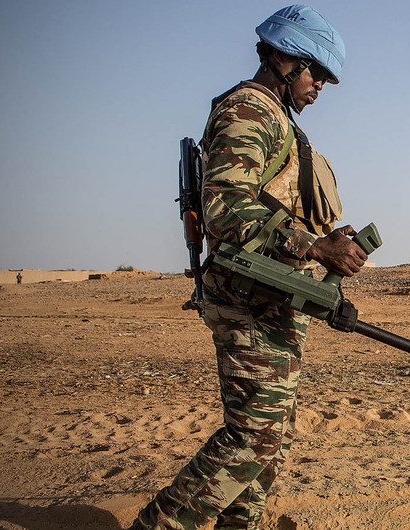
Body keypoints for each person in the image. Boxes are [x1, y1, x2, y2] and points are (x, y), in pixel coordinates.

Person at [129, 5, 366, 529]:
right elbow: (224, 209)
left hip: (274, 300)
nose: (320, 87)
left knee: (270, 438)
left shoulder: (278, 120)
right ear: (282, 57)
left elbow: (271, 207)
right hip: (246, 303)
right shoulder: (249, 111)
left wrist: (324, 249)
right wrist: (313, 246)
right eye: (316, 72)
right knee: (250, 437)